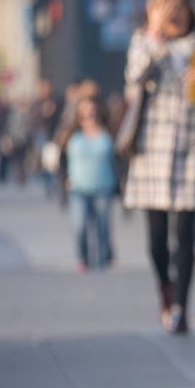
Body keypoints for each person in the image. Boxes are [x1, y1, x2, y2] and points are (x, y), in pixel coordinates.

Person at [124, 0, 195, 334]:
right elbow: (134, 77)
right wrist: (154, 33)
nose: (173, 15)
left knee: (186, 230)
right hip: (153, 147)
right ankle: (165, 290)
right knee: (156, 237)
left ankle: (182, 304)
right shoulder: (143, 42)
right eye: (164, 9)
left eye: (178, 7)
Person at [62, 97, 116, 271]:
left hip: (103, 186)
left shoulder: (107, 133)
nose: (88, 115)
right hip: (78, 188)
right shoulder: (71, 134)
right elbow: (61, 158)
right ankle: (83, 257)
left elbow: (118, 160)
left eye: (91, 111)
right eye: (84, 112)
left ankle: (103, 260)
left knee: (102, 227)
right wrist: (64, 179)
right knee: (80, 226)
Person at [28, 79, 63, 197]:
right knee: (44, 162)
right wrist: (43, 113)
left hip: (53, 134)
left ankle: (54, 184)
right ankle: (48, 184)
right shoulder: (36, 103)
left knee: (53, 162)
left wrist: (52, 111)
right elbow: (32, 119)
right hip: (41, 134)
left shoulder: (56, 101)